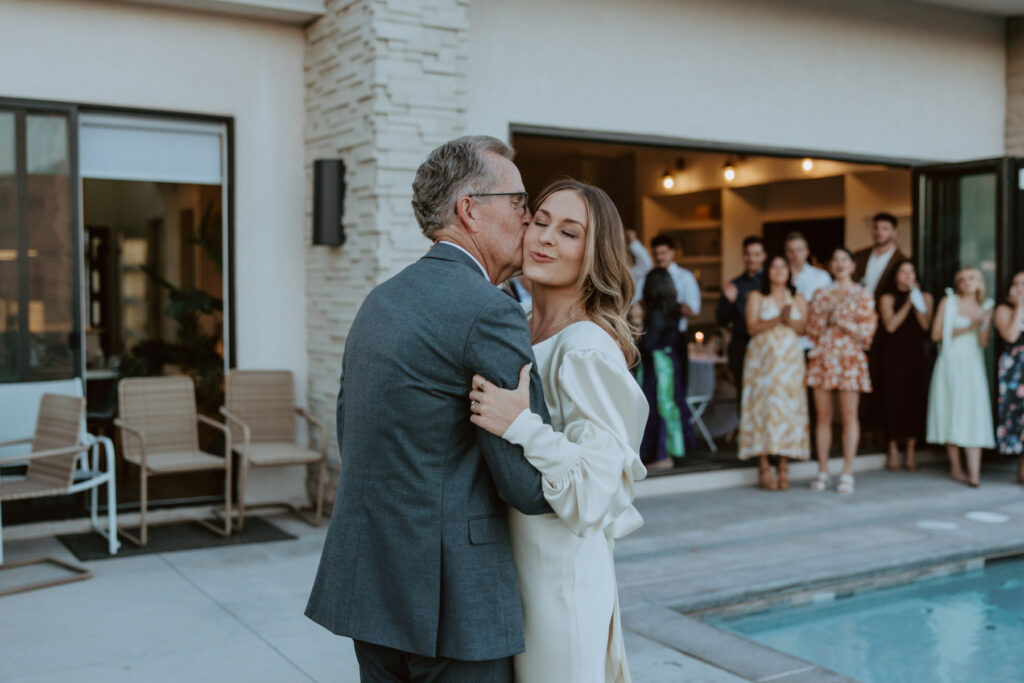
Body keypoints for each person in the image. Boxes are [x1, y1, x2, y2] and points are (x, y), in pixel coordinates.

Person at [305, 136, 553, 683]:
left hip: (370, 585)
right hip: (452, 602)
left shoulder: (380, 300)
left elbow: (354, 433)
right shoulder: (490, 312)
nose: (529, 216)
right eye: (517, 201)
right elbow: (527, 486)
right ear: (470, 210)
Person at [468, 178, 648, 683]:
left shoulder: (587, 346)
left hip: (561, 578)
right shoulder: (518, 321)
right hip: (514, 568)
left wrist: (522, 425)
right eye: (540, 221)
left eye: (569, 232)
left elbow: (597, 487)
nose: (544, 238)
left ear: (595, 254)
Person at [805, 247, 878, 495]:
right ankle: (822, 470)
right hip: (824, 356)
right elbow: (812, 331)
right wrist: (826, 316)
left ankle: (847, 472)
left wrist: (842, 321)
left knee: (849, 416)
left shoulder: (863, 294)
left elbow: (867, 333)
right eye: (835, 260)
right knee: (823, 417)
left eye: (844, 260)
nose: (839, 264)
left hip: (849, 358)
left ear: (853, 265)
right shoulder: (820, 295)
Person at [738, 255, 810, 490]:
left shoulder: (797, 298)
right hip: (763, 364)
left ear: (790, 271)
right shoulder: (757, 296)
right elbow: (752, 327)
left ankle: (784, 464)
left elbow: (803, 329)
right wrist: (779, 317)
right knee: (763, 409)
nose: (779, 271)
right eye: (774, 267)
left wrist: (789, 320)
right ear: (767, 271)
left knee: (788, 410)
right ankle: (764, 464)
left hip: (790, 364)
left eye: (783, 267)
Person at [926, 267, 995, 488]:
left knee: (973, 413)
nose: (967, 282)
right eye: (962, 279)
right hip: (950, 362)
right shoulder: (949, 303)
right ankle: (956, 468)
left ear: (979, 282)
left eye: (971, 278)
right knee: (951, 409)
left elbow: (984, 342)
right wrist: (969, 327)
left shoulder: (986, 306)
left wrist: (982, 324)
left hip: (972, 365)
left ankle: (974, 472)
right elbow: (936, 335)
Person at [852, 212, 907, 439]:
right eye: (876, 228)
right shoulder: (860, 257)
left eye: (884, 228)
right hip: (858, 327)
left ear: (893, 232)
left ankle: (882, 431)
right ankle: (864, 429)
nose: (879, 232)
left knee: (883, 378)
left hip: (886, 329)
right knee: (861, 379)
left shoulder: (902, 261)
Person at [877, 260, 933, 472]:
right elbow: (890, 325)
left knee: (913, 400)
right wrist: (908, 301)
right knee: (892, 400)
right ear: (896, 275)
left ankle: (910, 450)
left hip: (914, 354)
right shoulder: (887, 298)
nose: (908, 275)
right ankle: (892, 449)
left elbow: (925, 325)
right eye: (903, 271)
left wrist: (917, 299)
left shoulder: (925, 297)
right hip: (892, 354)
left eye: (911, 271)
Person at [637, 267, 689, 470]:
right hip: (669, 360)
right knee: (669, 406)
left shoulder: (656, 312)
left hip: (657, 366)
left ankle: (662, 455)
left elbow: (649, 344)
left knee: (659, 407)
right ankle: (669, 452)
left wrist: (638, 331)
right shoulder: (673, 309)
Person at [635, 233, 701, 389]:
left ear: (672, 252)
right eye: (656, 254)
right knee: (650, 386)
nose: (659, 258)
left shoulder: (685, 277)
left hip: (675, 340)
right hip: (650, 338)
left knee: (676, 386)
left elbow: (694, 311)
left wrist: (669, 302)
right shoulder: (647, 277)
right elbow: (636, 302)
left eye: (663, 253)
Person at [716, 236, 766, 404]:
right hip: (741, 345)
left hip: (766, 344)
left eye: (756, 254)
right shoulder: (734, 285)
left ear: (764, 256)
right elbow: (721, 319)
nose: (752, 259)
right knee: (743, 392)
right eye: (748, 254)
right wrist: (729, 302)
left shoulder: (771, 283)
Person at [994, 271, 1024, 489]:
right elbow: (1011, 336)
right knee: (1016, 414)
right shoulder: (1003, 310)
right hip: (1014, 370)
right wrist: (1020, 306)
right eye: (1016, 283)